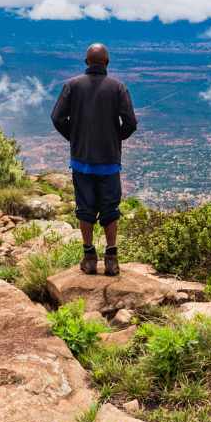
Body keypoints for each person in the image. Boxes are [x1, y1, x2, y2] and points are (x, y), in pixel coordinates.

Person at [50, 43, 137, 276]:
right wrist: (115, 138)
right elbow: (131, 123)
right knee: (110, 209)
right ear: (107, 63)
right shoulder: (118, 88)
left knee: (84, 208)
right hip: (109, 161)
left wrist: (74, 137)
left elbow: (57, 117)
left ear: (86, 62)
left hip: (81, 160)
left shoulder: (72, 86)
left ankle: (89, 258)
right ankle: (111, 259)